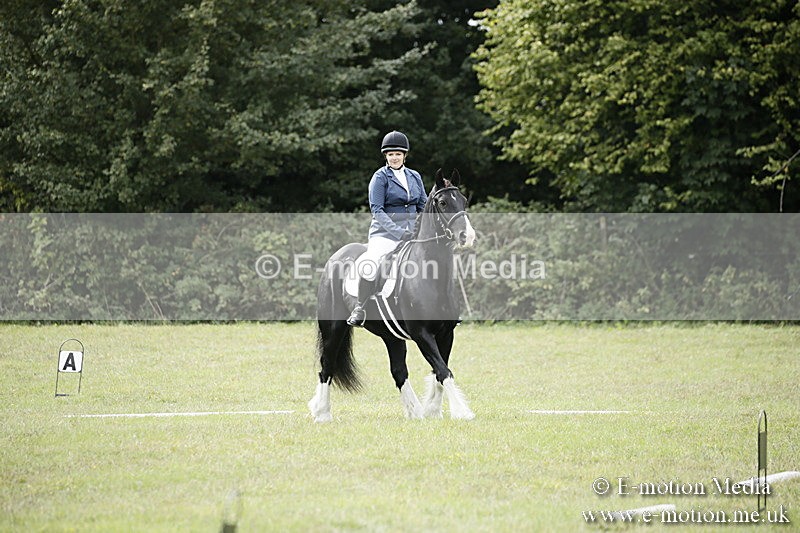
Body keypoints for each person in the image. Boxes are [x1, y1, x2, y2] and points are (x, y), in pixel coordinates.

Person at [347, 131, 428, 327]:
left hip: (413, 234)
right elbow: (377, 210)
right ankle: (360, 306)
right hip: (385, 234)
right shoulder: (380, 177)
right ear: (386, 156)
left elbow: (424, 205)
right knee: (371, 262)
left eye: (398, 154)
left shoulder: (414, 176)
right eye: (390, 154)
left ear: (404, 155)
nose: (394, 157)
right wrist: (399, 233)